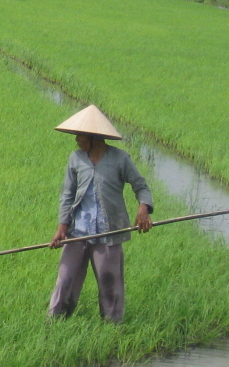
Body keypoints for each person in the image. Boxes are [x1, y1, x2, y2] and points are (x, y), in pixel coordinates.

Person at [48, 105, 152, 323]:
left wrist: (144, 208)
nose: (76, 139)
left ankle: (112, 325)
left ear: (95, 137)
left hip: (108, 232)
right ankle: (55, 322)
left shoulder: (119, 159)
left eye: (81, 135)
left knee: (109, 281)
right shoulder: (76, 159)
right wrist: (62, 227)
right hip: (78, 232)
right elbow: (67, 194)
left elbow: (141, 186)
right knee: (66, 278)